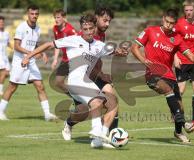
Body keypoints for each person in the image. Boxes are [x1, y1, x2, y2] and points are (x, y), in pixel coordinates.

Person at [21, 14, 119, 148]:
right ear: (81, 29)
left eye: (91, 28)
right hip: (75, 81)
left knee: (104, 105)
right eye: (85, 29)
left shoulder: (99, 45)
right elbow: (49, 45)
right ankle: (97, 132)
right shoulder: (72, 40)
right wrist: (28, 56)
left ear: (95, 28)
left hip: (87, 82)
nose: (89, 31)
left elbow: (113, 51)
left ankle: (96, 139)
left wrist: (121, 51)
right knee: (97, 101)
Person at [131, 8, 194, 143]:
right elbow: (134, 48)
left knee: (180, 106)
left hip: (169, 75)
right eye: (167, 22)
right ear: (163, 19)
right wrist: (144, 60)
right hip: (153, 74)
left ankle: (178, 132)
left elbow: (191, 56)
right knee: (167, 90)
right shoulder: (150, 31)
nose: (169, 25)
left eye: (172, 23)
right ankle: (184, 123)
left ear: (175, 23)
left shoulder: (177, 38)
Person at [63, 7, 121, 140]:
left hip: (95, 77)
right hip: (82, 79)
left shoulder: (101, 35)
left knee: (112, 101)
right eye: (105, 20)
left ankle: (109, 136)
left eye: (109, 22)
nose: (107, 24)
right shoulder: (86, 34)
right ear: (96, 19)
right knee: (83, 113)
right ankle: (69, 123)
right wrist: (102, 75)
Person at [0, 5, 57, 121]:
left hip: (31, 63)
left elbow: (35, 45)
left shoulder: (38, 29)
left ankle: (47, 114)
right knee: (12, 87)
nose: (34, 16)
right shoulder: (21, 27)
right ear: (28, 14)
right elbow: (16, 46)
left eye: (36, 14)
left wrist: (43, 53)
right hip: (19, 62)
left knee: (40, 86)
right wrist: (31, 53)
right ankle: (0, 111)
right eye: (32, 14)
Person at [51, 9, 77, 94]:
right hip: (65, 60)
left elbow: (79, 44)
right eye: (55, 17)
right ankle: (76, 98)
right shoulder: (55, 28)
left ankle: (81, 100)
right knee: (58, 82)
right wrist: (55, 59)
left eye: (58, 17)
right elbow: (57, 45)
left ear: (64, 18)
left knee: (75, 83)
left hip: (74, 60)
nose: (56, 19)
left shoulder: (70, 30)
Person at [0, 16, 13, 95]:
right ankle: (0, 90)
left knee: (7, 73)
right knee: (4, 72)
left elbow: (8, 43)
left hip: (5, 56)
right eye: (0, 22)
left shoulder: (6, 33)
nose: (1, 23)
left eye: (2, 22)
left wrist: (13, 48)